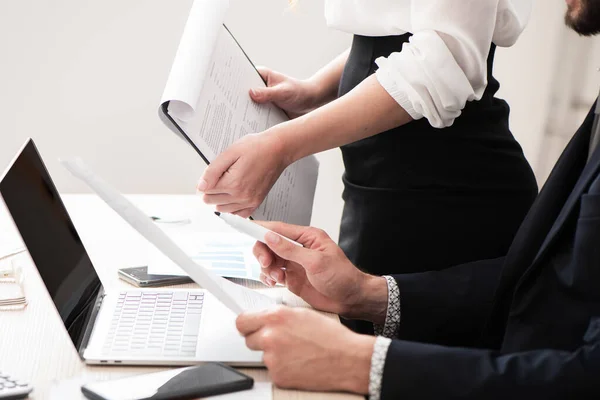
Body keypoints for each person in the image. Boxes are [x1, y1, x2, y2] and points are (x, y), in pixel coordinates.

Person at [234, 2, 600, 398]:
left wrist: (361, 362)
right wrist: (367, 294)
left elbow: (446, 55)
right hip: (408, 221)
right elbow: (543, 286)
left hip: (448, 211)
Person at [197, 0, 538, 279]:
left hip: (448, 201)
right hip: (380, 193)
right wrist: (316, 89)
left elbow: (445, 61)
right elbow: (402, 29)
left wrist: (280, 145)